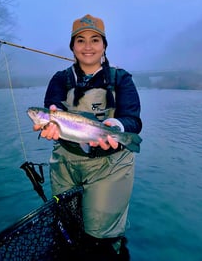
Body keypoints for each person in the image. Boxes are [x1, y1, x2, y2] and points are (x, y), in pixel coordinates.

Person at [33, 14, 142, 260]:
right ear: (72, 47)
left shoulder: (121, 79)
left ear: (104, 45)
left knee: (100, 237)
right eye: (80, 41)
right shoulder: (60, 79)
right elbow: (52, 107)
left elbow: (133, 120)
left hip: (110, 165)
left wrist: (115, 126)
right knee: (67, 229)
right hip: (66, 163)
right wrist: (49, 126)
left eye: (95, 40)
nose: (88, 46)